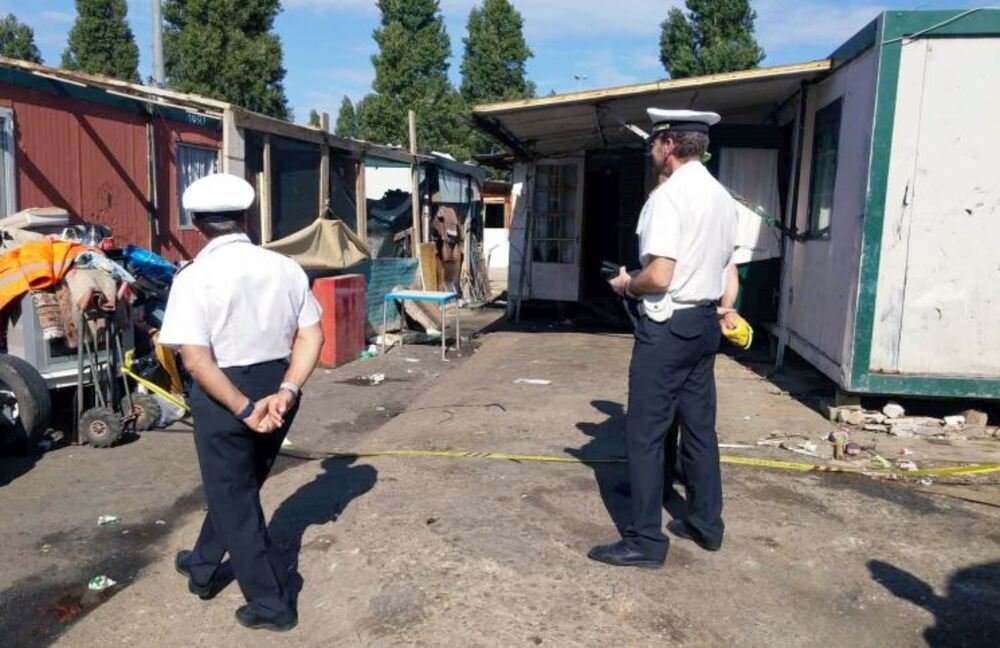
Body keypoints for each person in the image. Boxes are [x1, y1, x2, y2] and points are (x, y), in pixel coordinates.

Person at [159, 173, 324, 631]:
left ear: (196, 223)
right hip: (279, 384)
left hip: (223, 392)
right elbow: (312, 334)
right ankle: (204, 565)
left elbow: (194, 360)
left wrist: (244, 408)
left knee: (235, 496)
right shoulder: (285, 267)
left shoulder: (194, 277)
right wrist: (286, 392)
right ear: (246, 216)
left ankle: (272, 604)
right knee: (237, 487)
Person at [588, 109, 738, 569]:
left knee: (646, 434)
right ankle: (706, 524)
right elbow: (728, 269)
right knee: (698, 429)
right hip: (704, 324)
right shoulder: (721, 196)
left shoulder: (667, 198)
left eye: (654, 141)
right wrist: (725, 310)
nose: (650, 149)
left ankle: (646, 542)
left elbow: (660, 274)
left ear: (669, 144)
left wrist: (627, 284)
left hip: (668, 328)